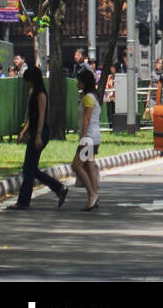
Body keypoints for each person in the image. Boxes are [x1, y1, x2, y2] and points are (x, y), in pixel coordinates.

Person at [12, 67, 68, 211]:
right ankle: (59, 188)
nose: (27, 84)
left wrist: (37, 136)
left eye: (28, 81)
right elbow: (32, 117)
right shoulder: (33, 93)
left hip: (41, 133)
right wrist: (23, 131)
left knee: (28, 170)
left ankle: (23, 202)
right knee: (31, 169)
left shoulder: (41, 95)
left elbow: (42, 116)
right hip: (34, 132)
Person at [73, 68, 102, 210]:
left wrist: (83, 137)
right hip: (94, 136)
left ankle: (91, 194)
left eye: (79, 81)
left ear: (84, 83)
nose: (77, 83)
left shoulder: (88, 98)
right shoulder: (92, 97)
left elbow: (86, 118)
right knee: (90, 167)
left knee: (77, 165)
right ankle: (95, 195)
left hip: (89, 137)